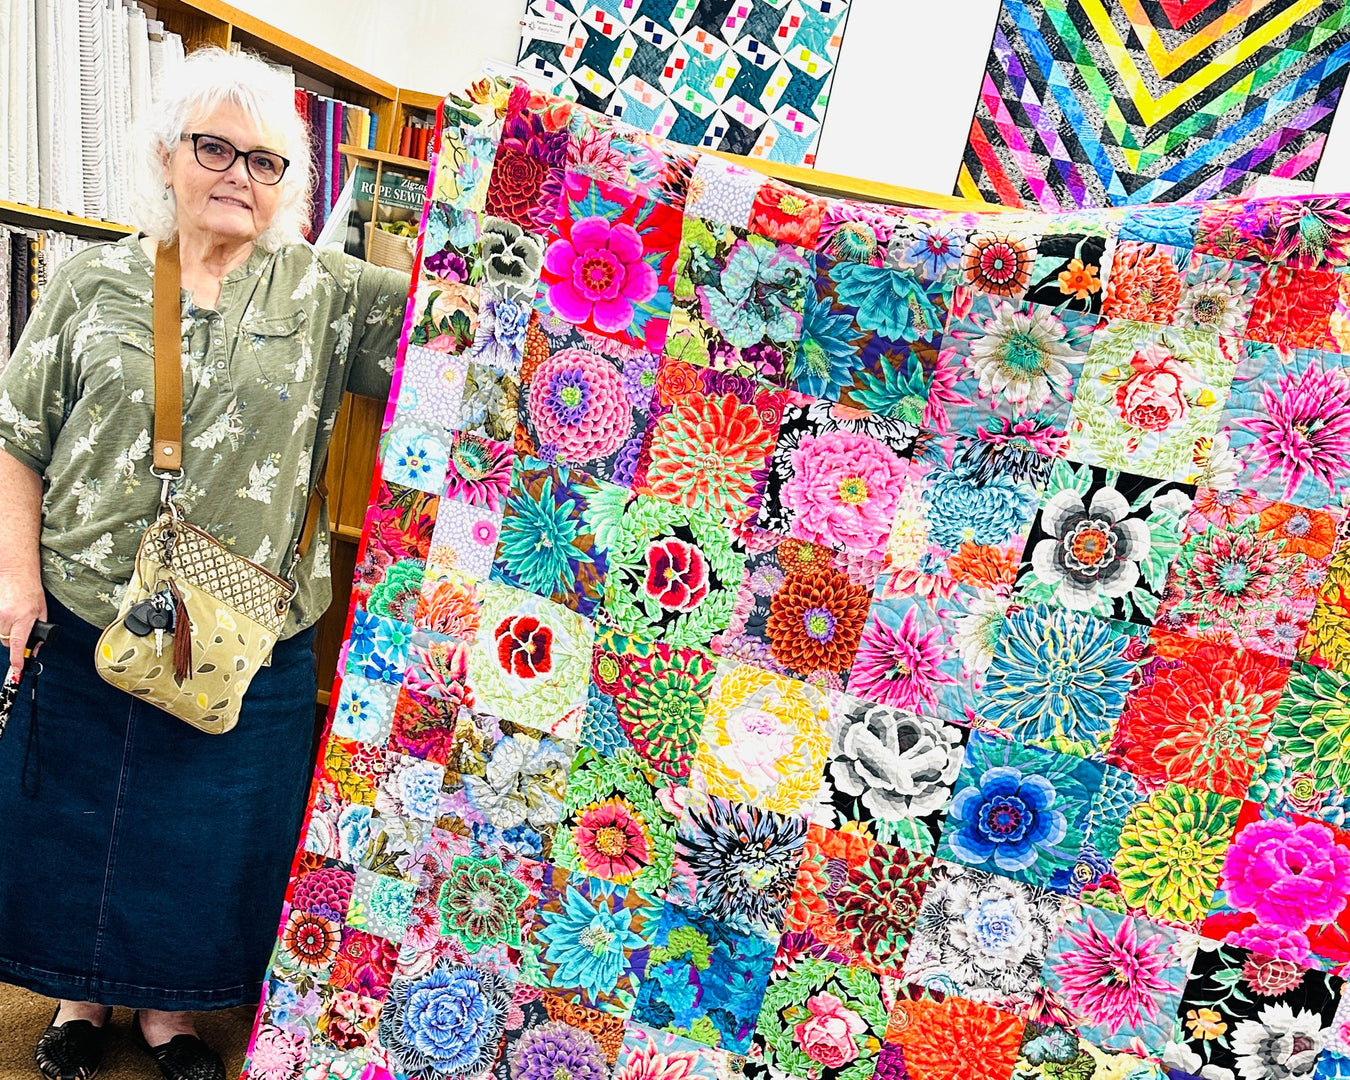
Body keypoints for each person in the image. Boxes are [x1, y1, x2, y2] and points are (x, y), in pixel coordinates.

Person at [0, 47, 410, 1080]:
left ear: (291, 183)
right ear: (167, 156)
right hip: (90, 607)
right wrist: (13, 579)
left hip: (250, 631)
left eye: (266, 161)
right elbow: (17, 436)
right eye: (214, 147)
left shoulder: (328, 292)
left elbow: (466, 327)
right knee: (81, 825)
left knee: (204, 840)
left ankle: (170, 1017)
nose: (239, 174)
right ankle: (80, 1000)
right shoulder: (92, 283)